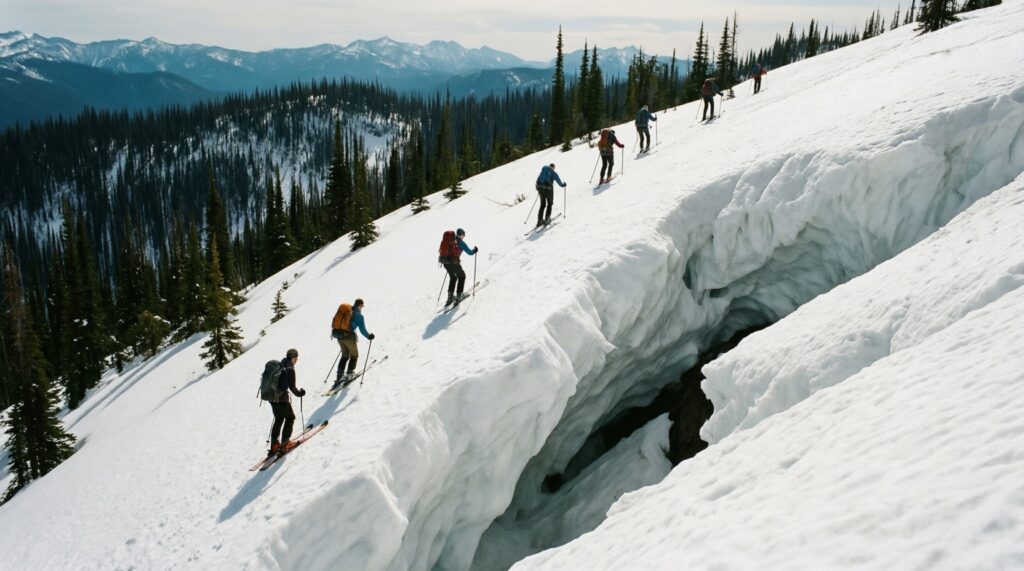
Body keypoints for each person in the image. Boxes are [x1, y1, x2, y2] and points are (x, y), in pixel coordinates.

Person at [269, 348, 306, 453]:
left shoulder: (280, 364)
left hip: (270, 397)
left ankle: (274, 444)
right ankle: (285, 443)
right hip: (281, 398)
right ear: (293, 358)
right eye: (296, 358)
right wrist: (300, 394)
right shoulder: (290, 368)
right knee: (290, 417)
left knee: (279, 418)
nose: (297, 360)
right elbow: (292, 387)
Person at [333, 298, 375, 382]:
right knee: (354, 355)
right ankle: (350, 374)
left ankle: (339, 375)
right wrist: (369, 336)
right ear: (360, 306)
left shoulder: (347, 312)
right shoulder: (359, 316)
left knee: (345, 356)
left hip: (338, 335)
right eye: (362, 306)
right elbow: (362, 330)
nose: (362, 308)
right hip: (349, 337)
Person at [438, 229, 478, 306]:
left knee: (453, 278)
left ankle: (450, 298)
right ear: (461, 234)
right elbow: (470, 252)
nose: (464, 236)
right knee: (462, 276)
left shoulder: (450, 240)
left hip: (445, 262)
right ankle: (459, 296)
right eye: (464, 235)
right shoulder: (461, 242)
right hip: (454, 262)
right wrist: (474, 250)